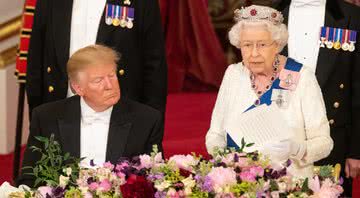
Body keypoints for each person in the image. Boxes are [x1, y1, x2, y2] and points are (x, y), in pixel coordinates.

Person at [205, 5, 333, 178]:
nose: (254, 53)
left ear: (278, 45)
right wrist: (229, 160)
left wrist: (297, 149)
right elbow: (215, 135)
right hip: (240, 182)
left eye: (262, 45)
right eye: (247, 45)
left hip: (290, 184)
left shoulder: (302, 77)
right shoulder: (233, 75)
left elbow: (324, 142)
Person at [18, 45, 164, 187]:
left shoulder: (146, 120)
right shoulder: (46, 118)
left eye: (112, 76)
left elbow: (155, 179)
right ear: (78, 88)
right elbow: (29, 177)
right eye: (98, 80)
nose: (109, 85)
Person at [25, 0, 167, 117]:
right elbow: (36, 61)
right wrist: (39, 123)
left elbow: (154, 66)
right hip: (61, 114)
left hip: (120, 118)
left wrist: (151, 129)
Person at [276, 0, 360, 195]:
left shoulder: (351, 16)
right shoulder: (273, 15)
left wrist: (356, 150)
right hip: (281, 140)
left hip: (334, 140)